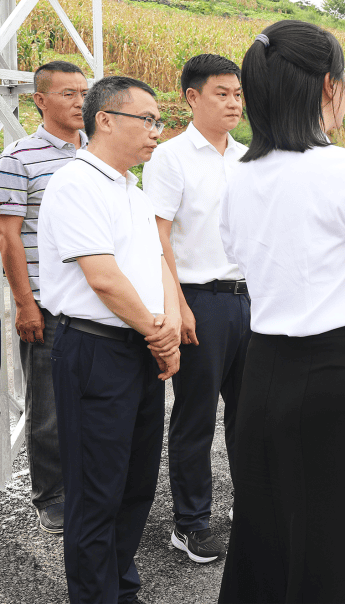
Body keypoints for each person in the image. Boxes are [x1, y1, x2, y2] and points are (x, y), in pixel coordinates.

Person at [216, 20, 345, 604]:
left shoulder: (239, 177)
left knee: (267, 516)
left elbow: (240, 262)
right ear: (329, 87)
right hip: (340, 362)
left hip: (265, 365)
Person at [38, 75, 181, 604]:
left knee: (135, 485)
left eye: (158, 122)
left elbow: (158, 262)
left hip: (140, 347)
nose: (155, 133)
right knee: (96, 493)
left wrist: (164, 325)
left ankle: (122, 590)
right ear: (105, 120)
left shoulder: (131, 190)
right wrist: (157, 332)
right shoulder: (76, 183)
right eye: (147, 120)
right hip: (96, 349)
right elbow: (102, 276)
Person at [143, 54, 249, 564]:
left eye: (238, 94)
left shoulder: (248, 157)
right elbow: (156, 236)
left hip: (250, 300)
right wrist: (176, 304)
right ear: (192, 97)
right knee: (195, 417)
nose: (234, 102)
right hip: (199, 302)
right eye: (222, 93)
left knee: (252, 414)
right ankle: (191, 523)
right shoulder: (170, 157)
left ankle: (251, 507)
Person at [0, 60, 88, 535]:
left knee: (94, 402)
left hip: (97, 304)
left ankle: (87, 485)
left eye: (84, 92)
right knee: (50, 409)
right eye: (69, 93)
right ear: (40, 100)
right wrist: (25, 303)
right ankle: (50, 495)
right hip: (48, 305)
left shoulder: (100, 151)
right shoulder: (19, 157)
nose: (80, 101)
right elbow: (9, 238)